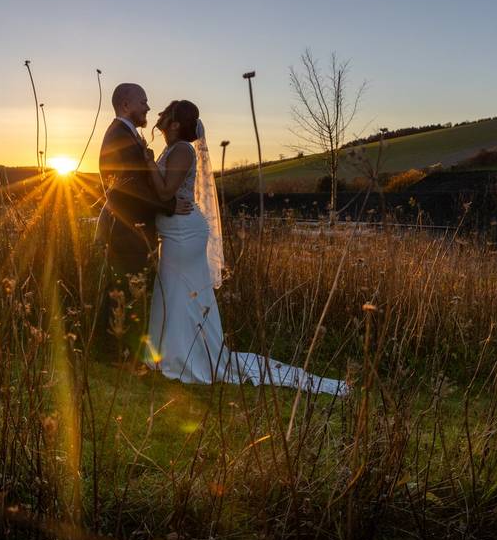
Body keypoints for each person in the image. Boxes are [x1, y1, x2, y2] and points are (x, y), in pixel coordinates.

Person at [141, 99, 348, 396]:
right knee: (173, 293)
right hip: (174, 232)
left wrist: (147, 162)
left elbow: (164, 191)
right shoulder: (173, 149)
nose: (158, 115)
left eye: (165, 113)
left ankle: (184, 360)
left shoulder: (183, 150)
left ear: (174, 122)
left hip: (184, 234)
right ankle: (171, 356)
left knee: (178, 293)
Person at [95, 83, 192, 364]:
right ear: (125, 105)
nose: (149, 107)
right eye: (144, 102)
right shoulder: (119, 137)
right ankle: (113, 353)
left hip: (132, 226)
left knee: (125, 288)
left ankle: (118, 349)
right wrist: (169, 205)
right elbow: (131, 188)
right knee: (122, 289)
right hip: (127, 226)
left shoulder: (127, 135)